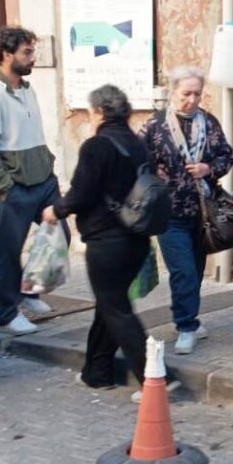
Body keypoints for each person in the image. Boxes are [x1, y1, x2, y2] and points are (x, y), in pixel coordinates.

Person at [43, 85, 178, 402]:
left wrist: (56, 210)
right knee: (109, 304)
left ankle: (155, 379)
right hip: (137, 239)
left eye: (91, 113)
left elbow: (82, 194)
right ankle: (97, 372)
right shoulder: (137, 144)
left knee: (116, 308)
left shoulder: (96, 146)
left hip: (107, 241)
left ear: (99, 112)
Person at [0, 26, 68, 336]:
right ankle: (7, 313)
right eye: (27, 52)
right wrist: (3, 189)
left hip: (42, 181)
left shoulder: (27, 89)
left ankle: (30, 290)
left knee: (59, 234)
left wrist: (49, 170)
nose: (32, 57)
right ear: (6, 55)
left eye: (32, 50)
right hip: (11, 186)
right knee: (9, 251)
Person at [141, 66, 233, 355]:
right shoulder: (155, 125)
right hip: (168, 212)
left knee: (193, 270)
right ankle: (185, 325)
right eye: (186, 94)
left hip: (201, 212)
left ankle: (186, 316)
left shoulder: (208, 122)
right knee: (182, 271)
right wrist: (153, 173)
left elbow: (227, 155)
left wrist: (209, 168)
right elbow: (136, 161)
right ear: (173, 92)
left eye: (197, 93)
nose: (192, 100)